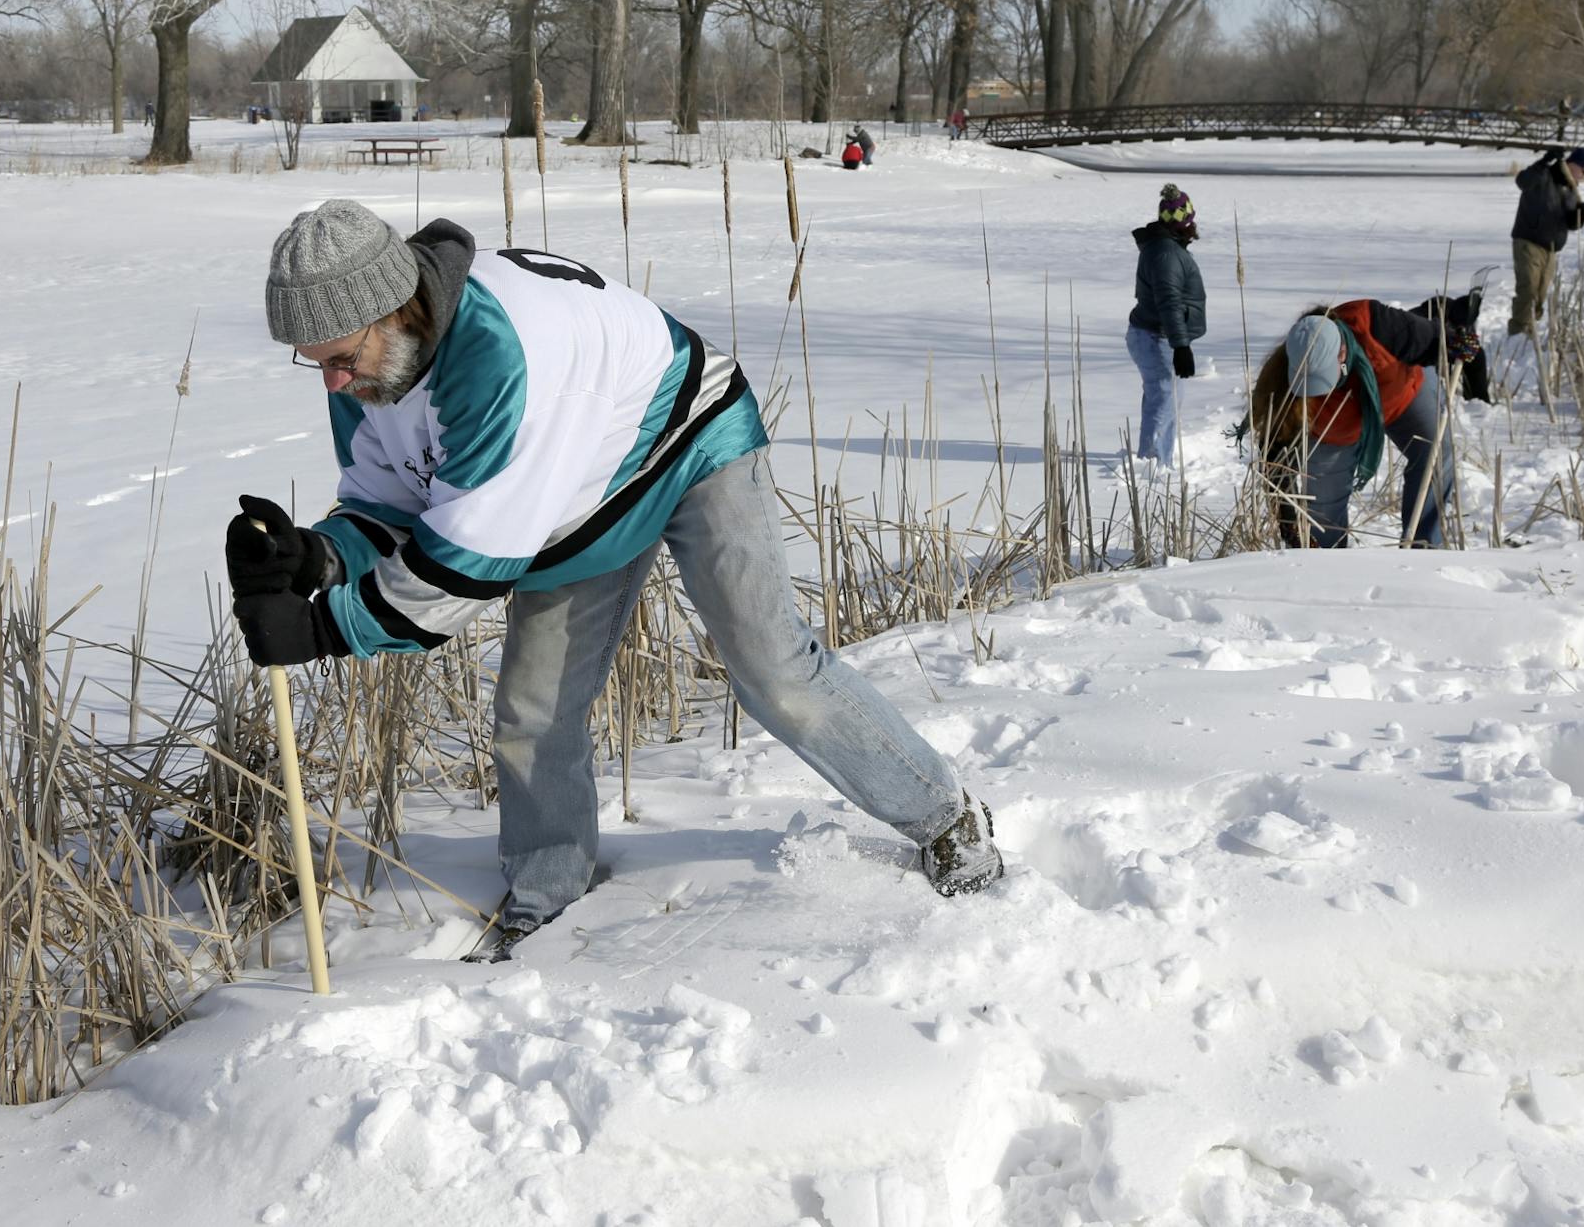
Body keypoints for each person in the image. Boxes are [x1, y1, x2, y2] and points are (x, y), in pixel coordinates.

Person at [225, 201, 1005, 958]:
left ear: (394, 309)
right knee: (533, 711)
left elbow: (462, 568)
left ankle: (947, 817)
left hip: (689, 440)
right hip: (575, 492)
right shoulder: (370, 376)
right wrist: (317, 556)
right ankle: (545, 900)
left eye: (339, 358)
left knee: (775, 670)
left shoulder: (498, 357)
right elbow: (392, 502)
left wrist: (326, 628)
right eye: (313, 361)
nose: (330, 382)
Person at [1243, 292, 1482, 549]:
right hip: (1334, 432)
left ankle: (1423, 547)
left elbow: (1433, 340)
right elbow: (1277, 459)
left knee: (1435, 453)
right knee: (1324, 517)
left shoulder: (1374, 325)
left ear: (1342, 352)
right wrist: (1288, 522)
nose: (1319, 391)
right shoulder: (1282, 382)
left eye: (1323, 380)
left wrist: (1457, 344)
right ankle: (1330, 569)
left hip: (1403, 396)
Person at [1125, 184, 1207, 467]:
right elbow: (1169, 301)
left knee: (1165, 398)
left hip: (1156, 334)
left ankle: (1161, 457)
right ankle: (1153, 464)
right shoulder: (1167, 254)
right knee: (1163, 400)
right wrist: (1180, 345)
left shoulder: (1168, 248)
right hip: (1156, 336)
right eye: (1191, 220)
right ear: (1185, 223)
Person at [1508, 146, 1584, 337]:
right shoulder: (1543, 175)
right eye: (1583, 170)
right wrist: (1544, 161)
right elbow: (1522, 181)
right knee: (1528, 289)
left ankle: (1530, 330)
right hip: (1528, 241)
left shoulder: (1570, 190)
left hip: (1551, 249)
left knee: (1539, 295)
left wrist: (1582, 214)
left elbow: (1571, 224)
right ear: (1571, 164)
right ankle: (1518, 331)